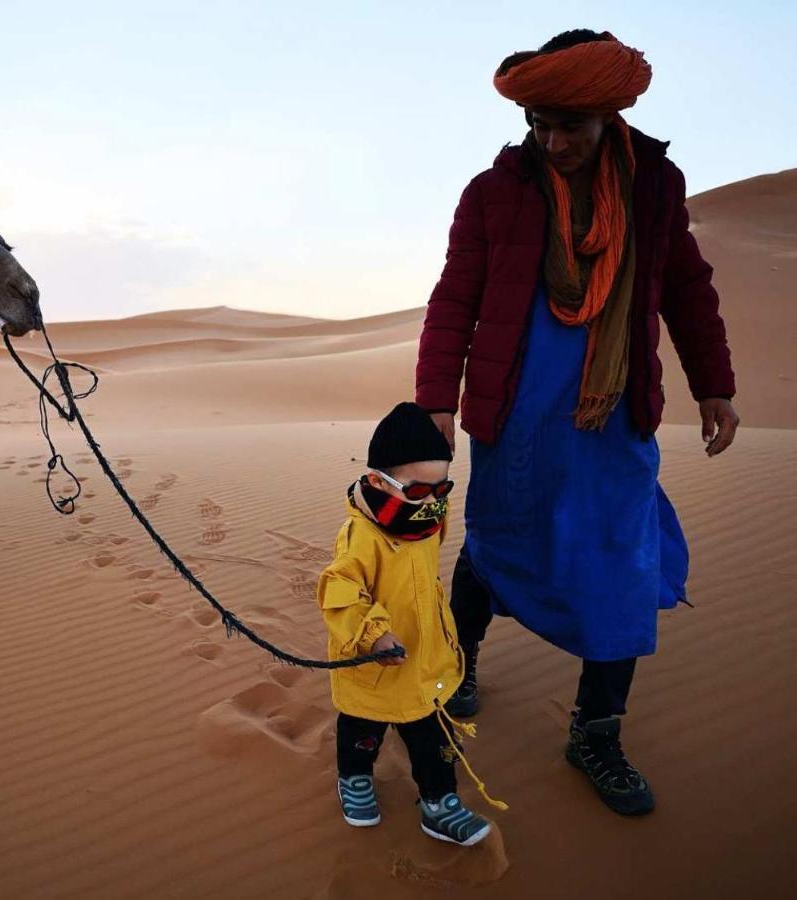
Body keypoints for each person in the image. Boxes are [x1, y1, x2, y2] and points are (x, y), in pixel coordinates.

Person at [415, 29, 739, 816]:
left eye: (571, 126)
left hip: (613, 411)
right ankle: (457, 669)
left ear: (607, 117)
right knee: (494, 542)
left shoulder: (654, 186)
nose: (553, 141)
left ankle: (596, 732)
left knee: (620, 561)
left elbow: (686, 288)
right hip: (517, 411)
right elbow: (455, 297)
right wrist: (435, 401)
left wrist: (714, 385)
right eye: (539, 124)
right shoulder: (494, 192)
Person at [317, 403, 505, 846]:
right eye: (421, 490)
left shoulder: (425, 518)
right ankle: (355, 778)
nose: (435, 501)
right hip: (375, 664)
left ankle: (439, 805)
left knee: (434, 743)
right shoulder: (362, 534)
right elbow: (338, 592)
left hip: (424, 660)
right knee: (361, 730)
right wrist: (372, 634)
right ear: (381, 483)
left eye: (444, 488)